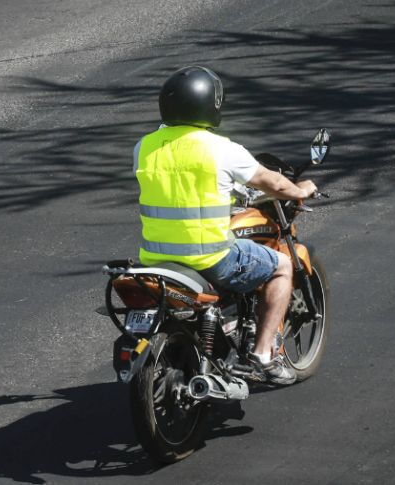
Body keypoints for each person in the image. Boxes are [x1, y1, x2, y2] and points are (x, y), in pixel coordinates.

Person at [132, 66, 317, 385]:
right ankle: (264, 356)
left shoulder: (144, 147)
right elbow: (271, 181)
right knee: (282, 266)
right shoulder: (221, 149)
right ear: (210, 104)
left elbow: (179, 183)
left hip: (156, 260)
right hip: (211, 259)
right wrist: (300, 189)